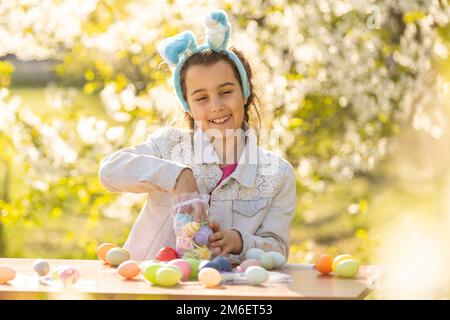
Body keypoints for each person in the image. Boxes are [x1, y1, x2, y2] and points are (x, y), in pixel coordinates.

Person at [98, 10, 297, 263]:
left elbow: (278, 248)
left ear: (245, 93)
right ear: (188, 107)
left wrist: (238, 241)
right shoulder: (169, 145)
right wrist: (177, 175)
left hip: (222, 291)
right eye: (201, 98)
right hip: (153, 286)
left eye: (226, 92)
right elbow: (108, 172)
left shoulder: (277, 174)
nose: (216, 106)